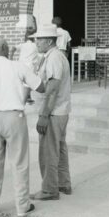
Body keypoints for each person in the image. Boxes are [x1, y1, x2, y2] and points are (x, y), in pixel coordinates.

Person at [0, 37, 45, 217]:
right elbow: (41, 87)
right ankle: (22, 206)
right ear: (6, 49)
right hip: (15, 117)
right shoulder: (18, 66)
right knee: (20, 163)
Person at [31, 24, 72, 200]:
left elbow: (53, 89)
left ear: (48, 41)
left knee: (48, 152)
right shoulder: (54, 56)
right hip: (60, 111)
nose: (36, 43)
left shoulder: (54, 57)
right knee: (59, 149)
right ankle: (63, 184)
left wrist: (43, 115)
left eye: (38, 39)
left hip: (54, 112)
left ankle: (49, 190)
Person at [10, 28, 41, 104]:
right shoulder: (36, 45)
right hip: (30, 67)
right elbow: (41, 56)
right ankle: (22, 102)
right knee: (27, 84)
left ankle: (27, 97)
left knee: (23, 82)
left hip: (21, 66)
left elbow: (13, 48)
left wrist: (11, 59)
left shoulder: (23, 45)